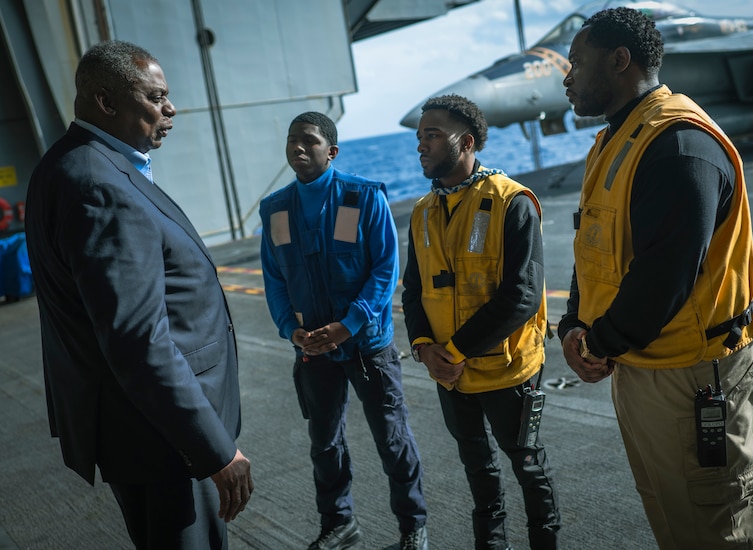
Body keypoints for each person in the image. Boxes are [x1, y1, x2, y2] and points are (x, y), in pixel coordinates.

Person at [25, 40, 253, 549]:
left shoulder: (66, 165)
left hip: (144, 426)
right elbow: (138, 341)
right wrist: (215, 449)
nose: (171, 108)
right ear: (106, 102)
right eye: (156, 97)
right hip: (163, 437)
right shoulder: (98, 186)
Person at [559, 7, 753, 549]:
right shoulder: (613, 142)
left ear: (620, 60)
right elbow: (594, 246)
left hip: (696, 374)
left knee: (722, 527)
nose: (567, 76)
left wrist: (600, 342)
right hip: (642, 362)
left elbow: (666, 273)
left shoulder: (678, 144)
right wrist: (573, 326)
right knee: (677, 523)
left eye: (577, 63)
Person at [258, 112, 428, 550]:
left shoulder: (362, 197)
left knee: (392, 440)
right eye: (292, 140)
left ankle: (413, 529)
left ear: (331, 151)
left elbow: (385, 270)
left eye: (309, 141)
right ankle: (339, 524)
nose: (298, 147)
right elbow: (275, 278)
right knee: (324, 444)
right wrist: (289, 331)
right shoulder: (275, 209)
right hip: (313, 348)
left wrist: (349, 324)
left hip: (367, 345)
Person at [401, 94, 560, 550]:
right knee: (478, 470)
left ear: (466, 142)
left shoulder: (512, 202)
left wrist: (451, 353)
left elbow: (523, 295)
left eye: (432, 135)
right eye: (419, 137)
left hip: (507, 370)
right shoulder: (422, 212)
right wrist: (423, 347)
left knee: (527, 465)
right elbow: (414, 290)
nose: (422, 145)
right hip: (450, 375)